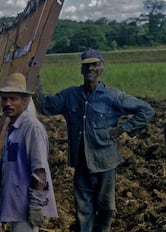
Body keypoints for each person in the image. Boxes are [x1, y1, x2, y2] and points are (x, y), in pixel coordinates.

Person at [34, 48, 155, 232]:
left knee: (106, 208)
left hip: (105, 162)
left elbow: (146, 110)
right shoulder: (70, 96)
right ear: (82, 70)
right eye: (87, 65)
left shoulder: (112, 96)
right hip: (82, 162)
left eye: (95, 64)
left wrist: (124, 128)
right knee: (83, 209)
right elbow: (45, 105)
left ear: (101, 68)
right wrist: (35, 78)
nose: (91, 68)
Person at [0, 73, 58, 232]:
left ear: (25, 101)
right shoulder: (13, 128)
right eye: (5, 99)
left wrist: (35, 205)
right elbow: (9, 164)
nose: (8, 103)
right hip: (16, 204)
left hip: (26, 207)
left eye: (13, 99)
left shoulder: (31, 128)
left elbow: (39, 170)